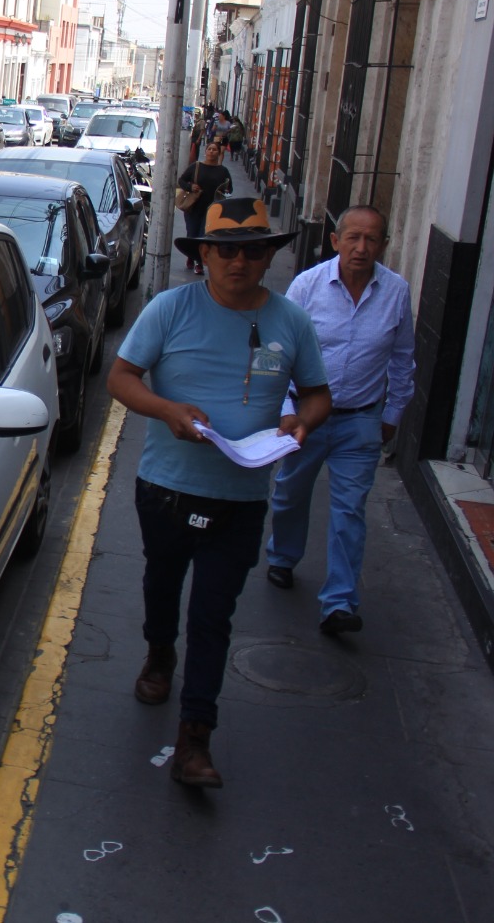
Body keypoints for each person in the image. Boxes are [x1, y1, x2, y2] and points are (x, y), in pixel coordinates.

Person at [107, 196, 330, 788]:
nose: (238, 261)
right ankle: (159, 652)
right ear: (202, 255)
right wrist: (167, 410)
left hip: (242, 497)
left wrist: (300, 423)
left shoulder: (291, 321)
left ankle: (195, 740)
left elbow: (317, 393)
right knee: (162, 585)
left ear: (267, 258)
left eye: (252, 251)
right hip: (167, 489)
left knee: (213, 614)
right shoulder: (169, 308)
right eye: (225, 249)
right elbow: (121, 378)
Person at [265, 205, 415, 635]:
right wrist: (286, 411)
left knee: (350, 511)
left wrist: (392, 414)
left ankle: (339, 603)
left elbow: (403, 360)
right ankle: (282, 556)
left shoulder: (397, 293)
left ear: (384, 245)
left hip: (361, 421)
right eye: (353, 238)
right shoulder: (307, 287)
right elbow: (275, 352)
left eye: (371, 240)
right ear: (335, 241)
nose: (361, 248)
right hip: (306, 416)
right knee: (291, 492)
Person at [175, 140, 233, 276]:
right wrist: (190, 187)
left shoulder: (223, 171)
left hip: (212, 209)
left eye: (214, 149)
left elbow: (229, 187)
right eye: (209, 149)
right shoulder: (196, 167)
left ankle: (198, 263)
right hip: (194, 207)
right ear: (205, 151)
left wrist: (224, 191)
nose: (212, 151)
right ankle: (191, 255)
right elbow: (181, 180)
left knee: (203, 236)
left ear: (219, 153)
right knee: (192, 234)